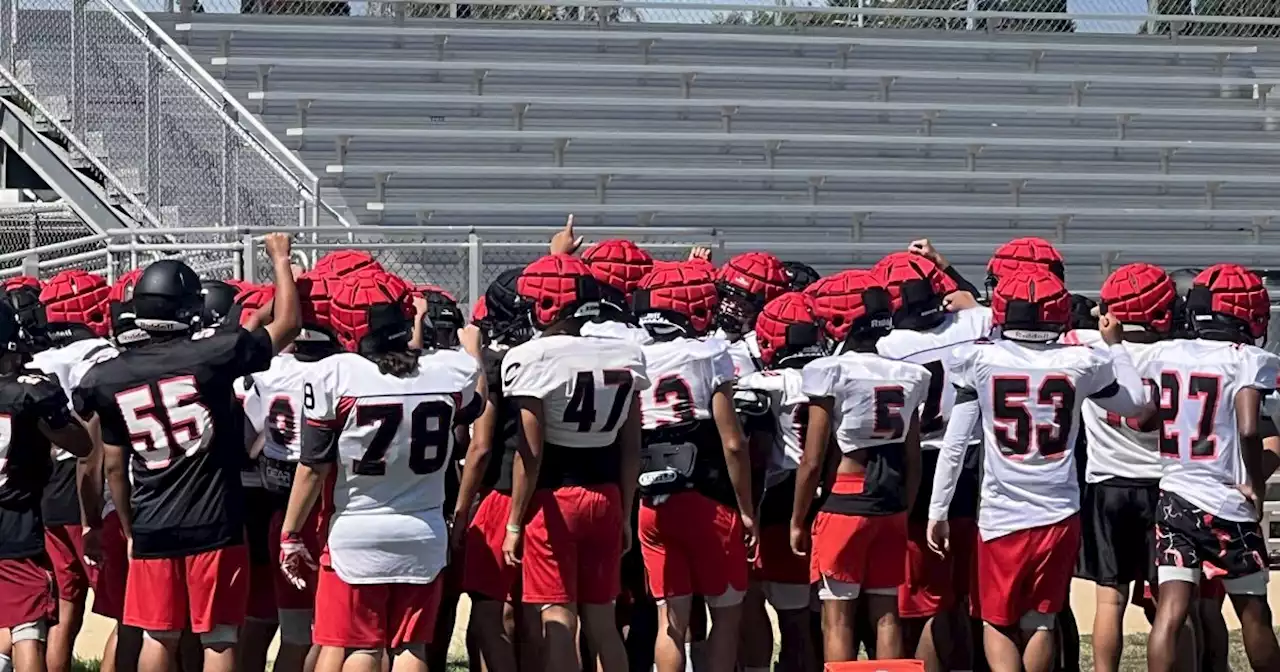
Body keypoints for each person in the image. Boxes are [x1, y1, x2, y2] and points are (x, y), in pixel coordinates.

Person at [72, 233, 301, 672]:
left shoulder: (108, 375)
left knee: (159, 635)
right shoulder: (211, 354)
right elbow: (288, 325)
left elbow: (115, 466)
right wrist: (281, 259)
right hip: (214, 520)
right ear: (189, 306)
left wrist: (129, 526)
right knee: (218, 636)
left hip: (153, 519)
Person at [927, 267, 1153, 672]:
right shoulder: (1081, 361)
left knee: (997, 623)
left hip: (1001, 515)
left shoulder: (981, 358)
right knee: (1041, 622)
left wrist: (937, 511)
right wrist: (1116, 346)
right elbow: (1136, 402)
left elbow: (955, 445)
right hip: (1058, 512)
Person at [278, 267, 484, 672]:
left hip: (356, 531)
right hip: (424, 530)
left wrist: (290, 532)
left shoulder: (334, 375)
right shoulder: (448, 370)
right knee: (412, 647)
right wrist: (473, 350)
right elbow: (475, 402)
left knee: (363, 648)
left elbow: (314, 467)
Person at [499, 253, 649, 672]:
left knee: (558, 617)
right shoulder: (627, 353)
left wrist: (513, 522)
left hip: (554, 498)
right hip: (607, 494)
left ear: (547, 305)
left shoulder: (531, 356)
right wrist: (624, 513)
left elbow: (530, 452)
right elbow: (632, 446)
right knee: (602, 620)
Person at [1143, 264, 1280, 672]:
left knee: (1170, 611)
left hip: (1174, 495)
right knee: (1254, 612)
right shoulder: (1249, 359)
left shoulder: (1165, 352)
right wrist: (1255, 483)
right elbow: (1250, 427)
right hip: (1225, 500)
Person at [793, 268, 931, 663]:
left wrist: (798, 519)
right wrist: (903, 505)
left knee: (837, 618)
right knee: (886, 614)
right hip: (890, 501)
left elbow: (813, 459)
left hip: (846, 497)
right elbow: (912, 455)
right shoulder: (909, 374)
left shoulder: (830, 370)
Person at [630, 264, 755, 672]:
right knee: (726, 617)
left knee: (672, 622)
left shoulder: (635, 353)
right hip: (708, 496)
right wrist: (747, 508)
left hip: (653, 501)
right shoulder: (708, 353)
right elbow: (733, 443)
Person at [873, 251, 991, 672]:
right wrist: (946, 269)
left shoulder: (886, 346)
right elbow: (979, 305)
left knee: (926, 599)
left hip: (915, 469)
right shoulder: (976, 323)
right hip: (971, 466)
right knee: (965, 596)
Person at [1066, 263, 1174, 672]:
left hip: (1107, 483)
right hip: (1164, 487)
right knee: (1171, 599)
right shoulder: (1176, 353)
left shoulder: (1087, 346)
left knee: (1109, 598)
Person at [241, 270, 343, 672]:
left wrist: (267, 311)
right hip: (324, 506)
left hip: (278, 504)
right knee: (327, 632)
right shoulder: (344, 370)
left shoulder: (269, 370)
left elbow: (250, 434)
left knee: (295, 632)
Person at [736, 292, 831, 672]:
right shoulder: (836, 371)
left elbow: (756, 457)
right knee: (817, 615)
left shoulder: (764, 383)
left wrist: (751, 512)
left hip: (782, 501)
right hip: (829, 496)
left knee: (793, 621)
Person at [0, 297, 94, 672]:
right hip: (14, 523)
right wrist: (45, 418)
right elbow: (82, 444)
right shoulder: (29, 391)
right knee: (28, 628)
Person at [454, 270, 538, 672]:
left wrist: (461, 508)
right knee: (534, 614)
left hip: (501, 496)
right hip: (543, 493)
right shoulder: (546, 353)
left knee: (491, 616)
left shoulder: (491, 364)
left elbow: (482, 446)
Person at [29, 269, 112, 672]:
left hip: (44, 485)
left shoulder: (35, 359)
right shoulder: (103, 356)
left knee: (64, 604)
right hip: (88, 487)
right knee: (129, 611)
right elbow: (94, 450)